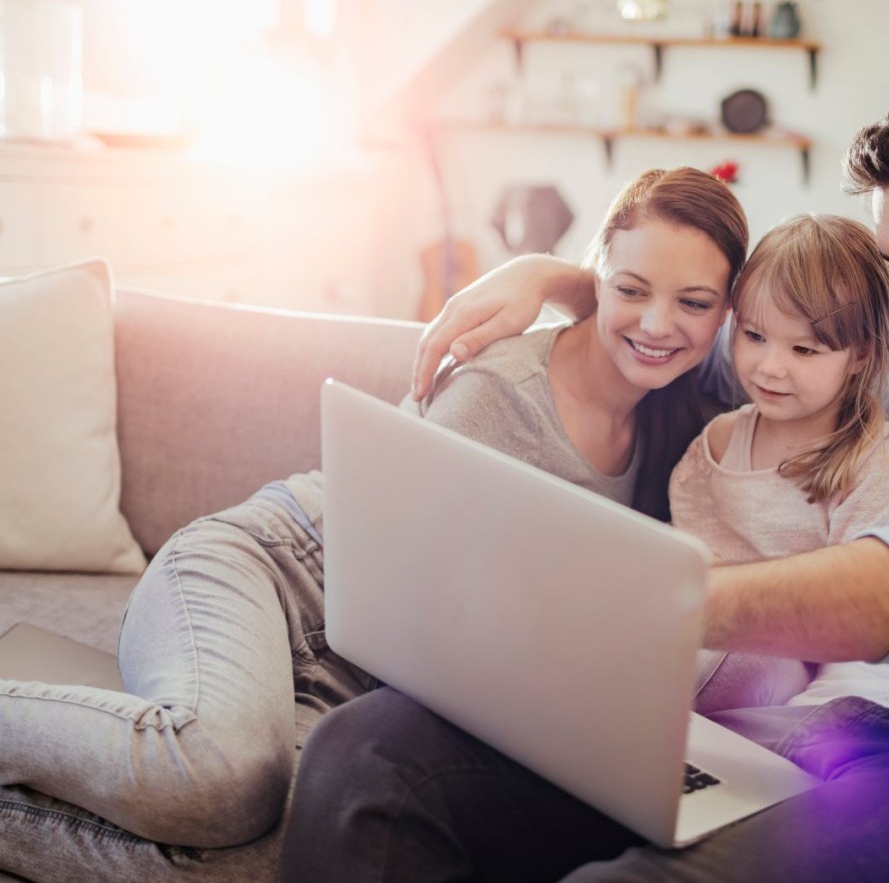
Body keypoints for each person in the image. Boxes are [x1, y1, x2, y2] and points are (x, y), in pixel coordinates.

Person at [282, 66, 889, 883]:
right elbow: (690, 339)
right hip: (753, 732)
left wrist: (640, 601)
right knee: (367, 752)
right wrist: (563, 280)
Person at [0, 166, 747, 880]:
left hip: (362, 675)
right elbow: (411, 597)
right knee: (221, 774)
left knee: (286, 855)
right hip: (274, 572)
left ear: (726, 315)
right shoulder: (497, 390)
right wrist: (544, 274)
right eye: (631, 289)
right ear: (597, 277)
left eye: (693, 302)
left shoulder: (687, 421)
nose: (658, 323)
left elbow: (806, 343)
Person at [678, 214, 889, 712]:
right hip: (686, 647)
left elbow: (860, 605)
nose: (769, 367)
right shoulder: (719, 442)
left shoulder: (868, 465)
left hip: (783, 676)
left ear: (862, 354)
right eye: (754, 335)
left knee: (758, 666)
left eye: (804, 348)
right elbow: (682, 560)